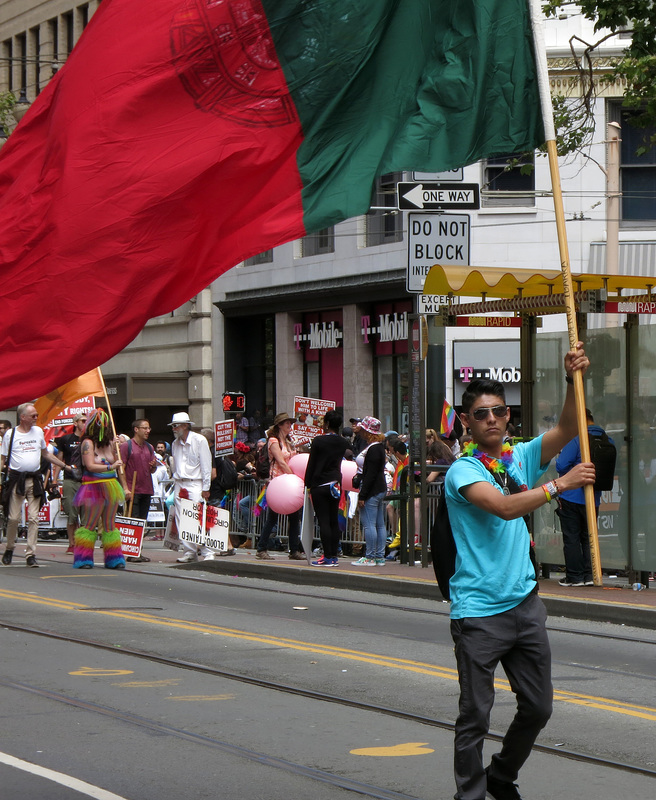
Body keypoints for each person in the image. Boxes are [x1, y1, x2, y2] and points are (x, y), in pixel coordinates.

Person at [444, 342, 595, 800]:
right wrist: (560, 484)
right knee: (476, 715)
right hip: (479, 613)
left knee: (539, 707)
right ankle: (469, 795)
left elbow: (569, 427)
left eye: (499, 411)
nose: (491, 418)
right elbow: (506, 508)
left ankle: (502, 774)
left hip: (524, 606)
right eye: (481, 412)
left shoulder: (520, 456)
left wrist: (572, 379)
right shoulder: (463, 471)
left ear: (508, 417)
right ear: (467, 422)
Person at [1, 403, 72, 567]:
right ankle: (10, 548)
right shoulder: (10, 435)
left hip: (35, 479)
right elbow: (3, 459)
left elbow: (45, 453)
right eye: (33, 415)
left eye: (36, 415)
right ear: (22, 417)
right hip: (16, 479)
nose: (36, 417)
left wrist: (65, 466)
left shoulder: (38, 431)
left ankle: (30, 554)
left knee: (34, 518)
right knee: (13, 518)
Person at [555, 409, 613, 587]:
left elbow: (561, 464)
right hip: (593, 498)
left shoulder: (578, 439)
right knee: (588, 536)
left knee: (571, 537)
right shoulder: (607, 440)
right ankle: (590, 574)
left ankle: (575, 576)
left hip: (571, 496)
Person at [72, 409, 127, 570]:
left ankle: (114, 558)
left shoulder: (111, 443)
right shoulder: (87, 443)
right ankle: (83, 558)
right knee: (90, 523)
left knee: (110, 524)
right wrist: (110, 465)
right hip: (93, 486)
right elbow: (90, 465)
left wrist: (118, 448)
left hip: (111, 485)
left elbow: (118, 463)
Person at [256, 412, 304, 561]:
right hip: (277, 482)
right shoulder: (273, 440)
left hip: (289, 483)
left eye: (290, 423)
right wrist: (293, 475)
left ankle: (294, 549)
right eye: (286, 423)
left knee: (295, 517)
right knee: (272, 516)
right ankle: (261, 548)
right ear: (279, 425)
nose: (289, 425)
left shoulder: (290, 441)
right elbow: (281, 461)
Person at [305, 410, 349, 567]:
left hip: (320, 483)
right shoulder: (343, 442)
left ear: (328, 424)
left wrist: (307, 483)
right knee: (333, 520)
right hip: (335, 483)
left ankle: (327, 556)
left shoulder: (318, 441)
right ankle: (334, 556)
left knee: (323, 521)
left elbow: (312, 463)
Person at [169, 411, 214, 562]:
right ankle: (190, 551)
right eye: (173, 426)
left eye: (176, 426)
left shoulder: (199, 440)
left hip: (195, 483)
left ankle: (207, 551)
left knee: (198, 518)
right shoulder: (175, 444)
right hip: (180, 483)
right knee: (182, 519)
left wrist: (206, 488)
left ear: (185, 426)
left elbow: (206, 465)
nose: (174, 428)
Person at [352, 416, 388, 566]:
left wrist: (363, 495)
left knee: (369, 524)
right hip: (380, 488)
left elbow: (370, 474)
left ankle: (370, 556)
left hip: (372, 490)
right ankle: (379, 556)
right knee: (379, 524)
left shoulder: (372, 449)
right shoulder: (379, 447)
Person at [119, 418, 157, 562]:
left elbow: (152, 469)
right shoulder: (126, 446)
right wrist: (125, 488)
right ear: (136, 429)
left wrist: (153, 466)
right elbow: (121, 468)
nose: (148, 431)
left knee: (141, 521)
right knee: (133, 521)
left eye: (149, 428)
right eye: (145, 428)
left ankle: (137, 551)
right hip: (133, 489)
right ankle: (132, 552)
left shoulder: (149, 447)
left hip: (146, 489)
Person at [53, 411, 88, 554]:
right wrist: (54, 479)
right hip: (70, 480)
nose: (85, 423)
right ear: (75, 423)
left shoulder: (90, 440)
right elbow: (59, 460)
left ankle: (82, 543)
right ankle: (71, 543)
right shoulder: (65, 439)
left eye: (86, 421)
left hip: (86, 481)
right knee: (72, 514)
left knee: (85, 515)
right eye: (82, 420)